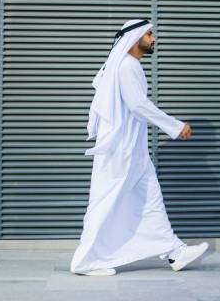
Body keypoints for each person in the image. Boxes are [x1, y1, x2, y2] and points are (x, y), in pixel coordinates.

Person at [70, 19, 209, 276]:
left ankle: (175, 252)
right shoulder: (127, 67)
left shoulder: (128, 66)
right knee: (106, 202)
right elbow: (138, 105)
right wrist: (175, 126)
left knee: (150, 201)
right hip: (120, 151)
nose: (153, 39)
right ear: (135, 39)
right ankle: (84, 261)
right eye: (149, 34)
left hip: (132, 151)